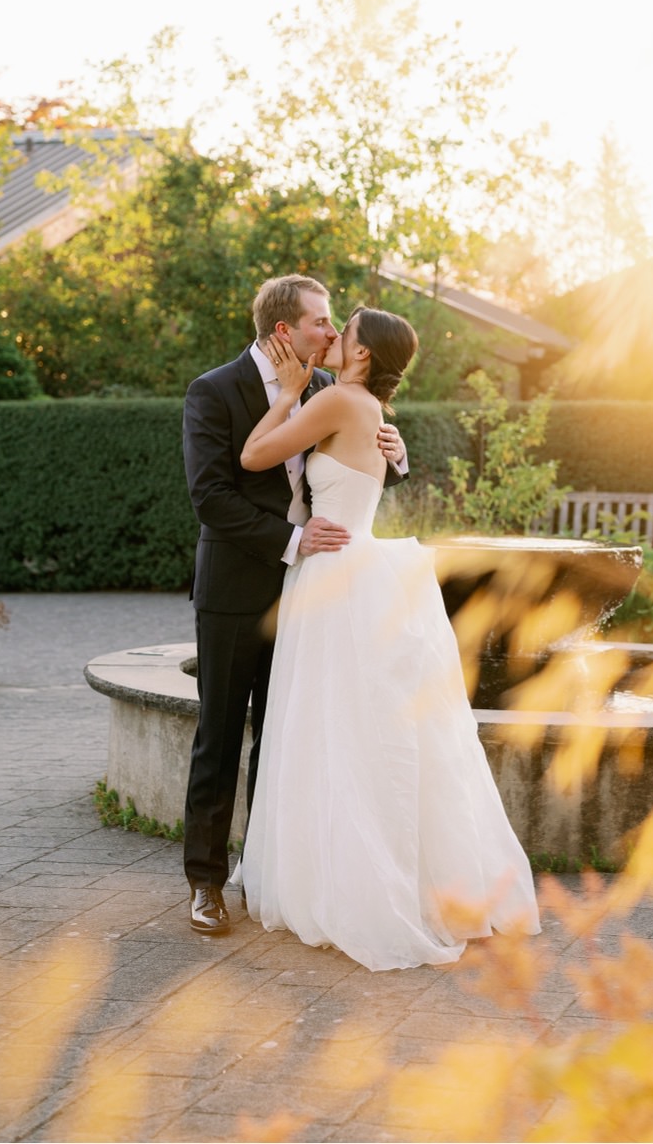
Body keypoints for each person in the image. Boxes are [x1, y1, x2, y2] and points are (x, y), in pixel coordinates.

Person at [236, 306, 541, 969]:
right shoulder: (366, 406)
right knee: (357, 732)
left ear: (363, 354)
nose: (332, 336)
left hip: (335, 577)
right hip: (356, 570)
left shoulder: (337, 400)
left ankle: (355, 886)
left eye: (341, 330)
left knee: (331, 730)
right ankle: (378, 874)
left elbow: (254, 456)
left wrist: (287, 396)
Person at [179, 274, 408, 936]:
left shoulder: (324, 388)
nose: (331, 331)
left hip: (310, 596)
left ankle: (268, 873)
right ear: (285, 330)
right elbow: (211, 497)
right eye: (321, 321)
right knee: (220, 735)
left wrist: (397, 455)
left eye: (335, 324)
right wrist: (292, 541)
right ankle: (205, 883)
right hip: (235, 591)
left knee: (285, 736)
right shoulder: (213, 391)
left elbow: (350, 468)